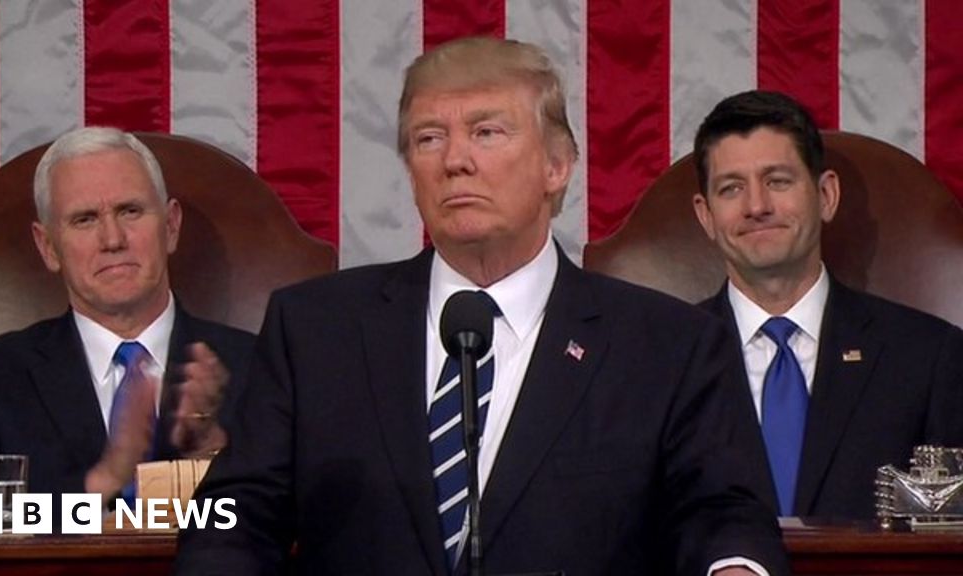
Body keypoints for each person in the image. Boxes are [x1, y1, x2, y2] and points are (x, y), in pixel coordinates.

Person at [174, 37, 788, 575]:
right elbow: (237, 513)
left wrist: (732, 567)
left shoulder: (666, 344)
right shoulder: (315, 330)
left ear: (557, 165)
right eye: (429, 138)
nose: (455, 160)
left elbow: (722, 512)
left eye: (487, 132)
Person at [0, 127, 254, 516]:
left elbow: (302, 517)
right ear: (49, 247)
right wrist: (102, 481)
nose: (112, 239)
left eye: (130, 211)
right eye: (85, 219)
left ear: (171, 226)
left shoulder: (264, 369)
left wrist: (213, 451)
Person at [691, 90, 963, 519]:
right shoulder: (659, 360)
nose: (757, 206)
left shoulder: (929, 358)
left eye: (778, 181)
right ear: (706, 216)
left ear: (826, 195)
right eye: (731, 188)